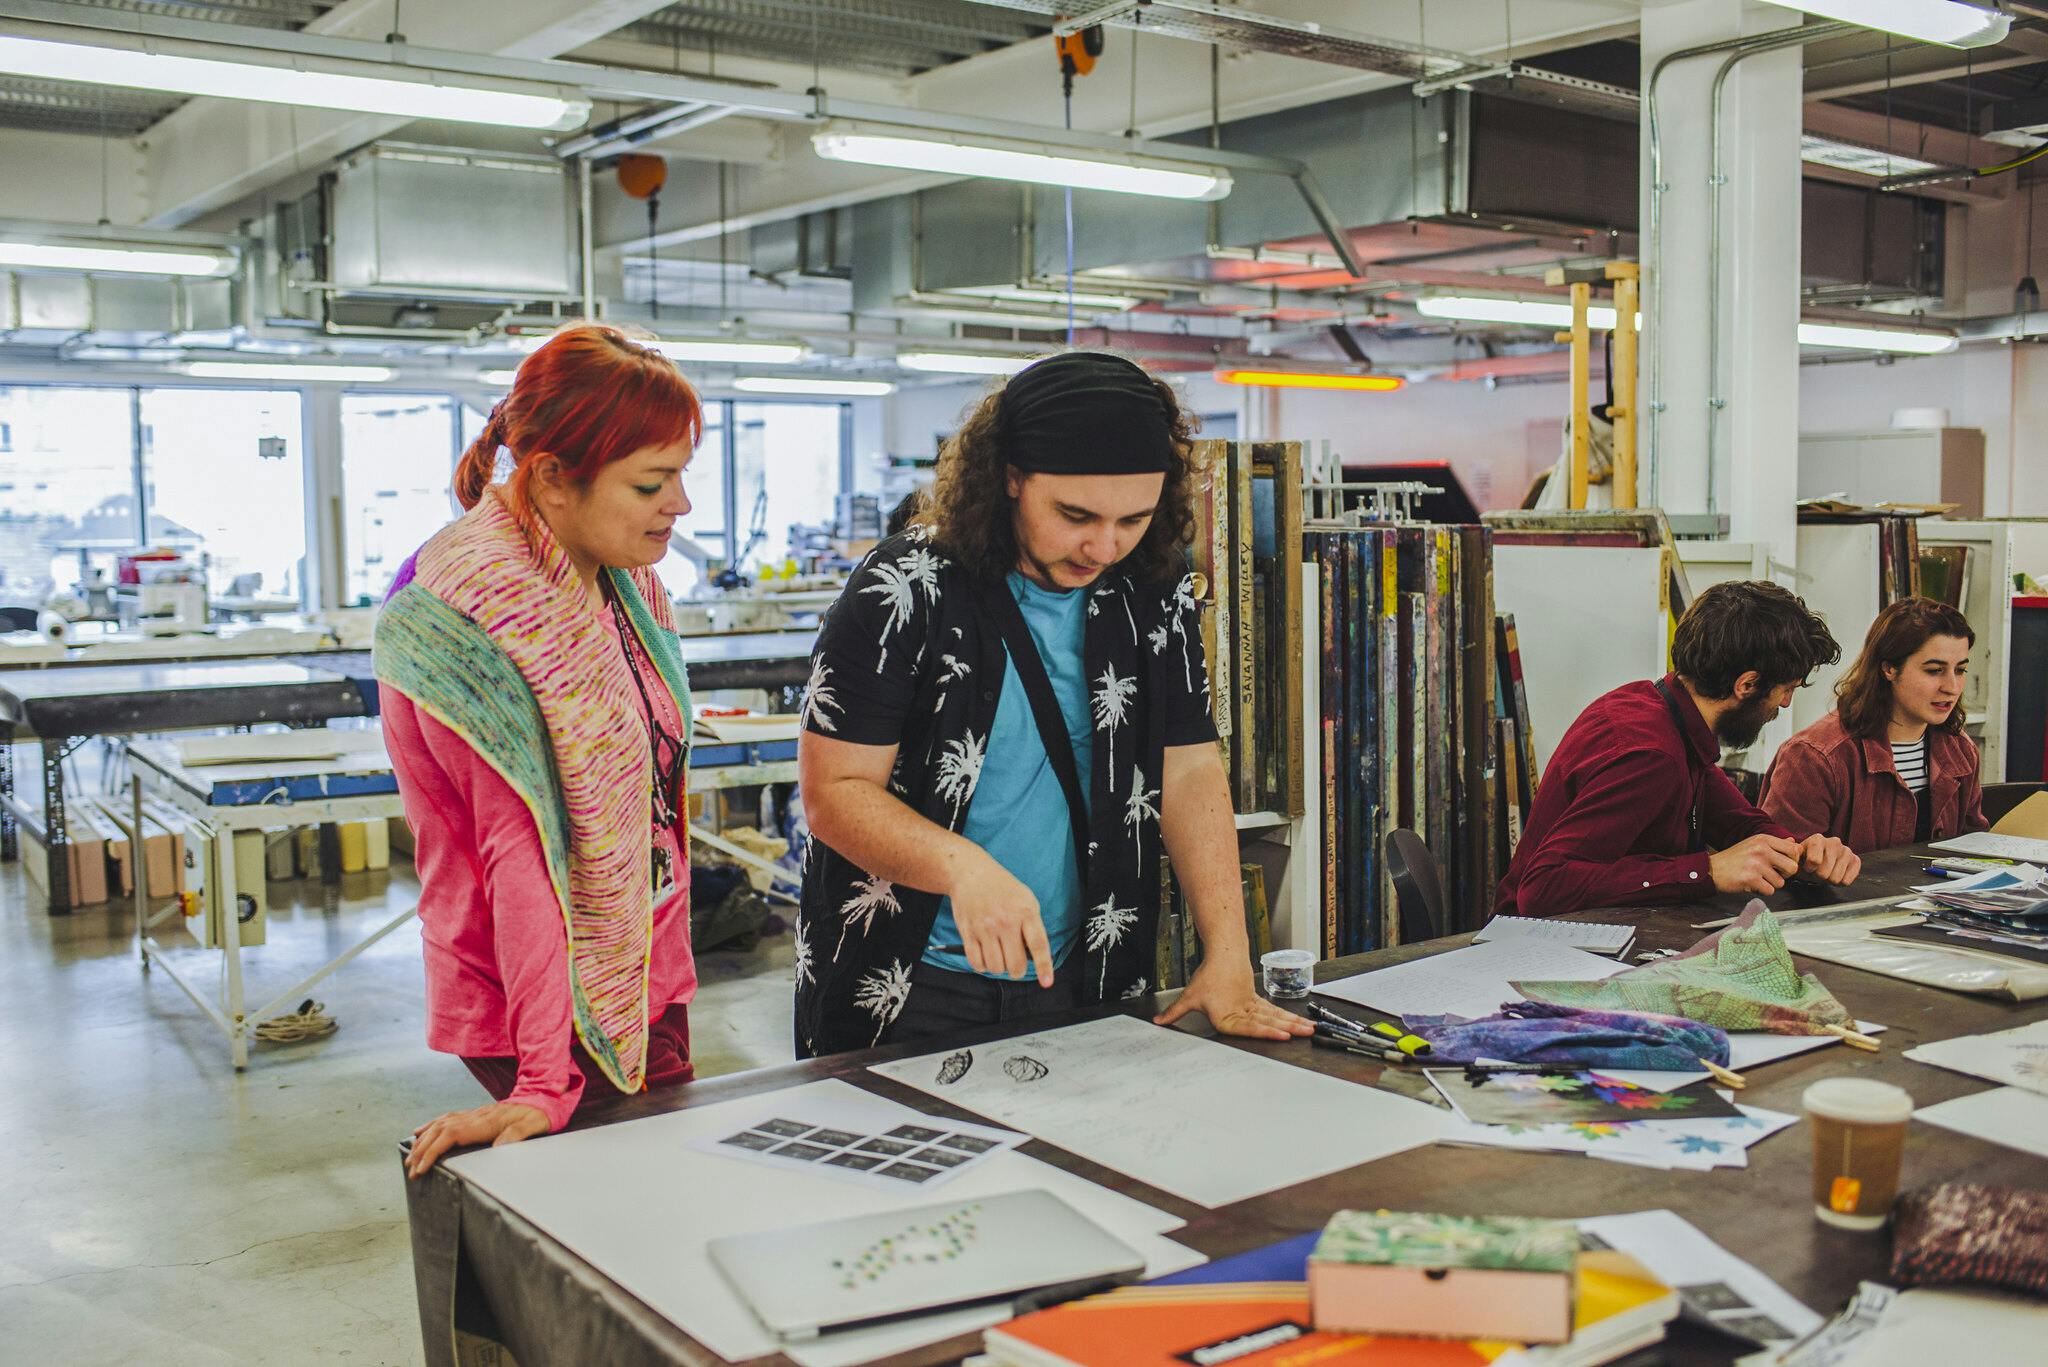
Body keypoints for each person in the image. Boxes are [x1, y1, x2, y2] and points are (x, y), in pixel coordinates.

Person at [793, 351, 1312, 1057]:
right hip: (912, 985)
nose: (1103, 544)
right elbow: (834, 794)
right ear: (1009, 475)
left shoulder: (1150, 587)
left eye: (1133, 517)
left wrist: (1228, 952)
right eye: (1075, 515)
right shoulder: (904, 588)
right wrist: (961, 865)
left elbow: (1189, 768)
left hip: (1090, 971)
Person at [379, 324, 704, 1175]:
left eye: (680, 475)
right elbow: (514, 852)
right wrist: (541, 1078)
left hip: (639, 963)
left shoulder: (622, 577)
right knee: (630, 1222)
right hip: (547, 1004)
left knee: (660, 1206)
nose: (681, 504)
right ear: (553, 477)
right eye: (652, 480)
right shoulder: (468, 615)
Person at [1494, 580, 1862, 919]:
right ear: (1747, 684)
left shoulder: (1666, 711)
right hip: (1535, 949)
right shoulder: (1651, 753)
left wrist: (1802, 852)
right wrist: (1708, 871)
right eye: (1787, 689)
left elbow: (1735, 820)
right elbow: (1542, 889)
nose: (1783, 704)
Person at [1759, 597, 1986, 851]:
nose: (1952, 688)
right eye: (1934, 670)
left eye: (1960, 670)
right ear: (1889, 668)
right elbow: (1781, 865)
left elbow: (1971, 850)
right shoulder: (1814, 757)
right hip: (1846, 892)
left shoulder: (1961, 751)